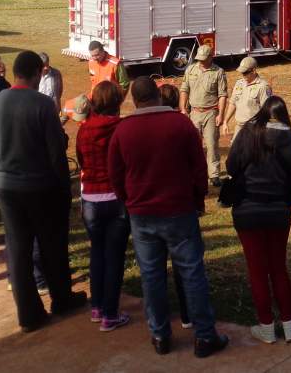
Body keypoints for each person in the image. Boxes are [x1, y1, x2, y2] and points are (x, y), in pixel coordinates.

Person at [108, 77, 229, 358]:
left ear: (134, 101)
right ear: (158, 97)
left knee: (152, 277)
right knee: (192, 273)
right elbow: (199, 168)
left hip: (142, 215)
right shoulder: (180, 124)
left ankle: (161, 335)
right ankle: (204, 336)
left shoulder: (124, 130)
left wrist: (129, 202)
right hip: (179, 211)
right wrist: (198, 200)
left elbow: (115, 175)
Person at [0, 51, 86, 333]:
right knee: (52, 244)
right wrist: (65, 190)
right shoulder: (42, 104)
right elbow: (56, 153)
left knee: (18, 248)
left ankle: (28, 314)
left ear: (15, 72)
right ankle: (61, 299)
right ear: (38, 73)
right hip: (41, 186)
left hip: (7, 187)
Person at [226, 96, 291, 343]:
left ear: (262, 112)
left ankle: (266, 326)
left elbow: (231, 167)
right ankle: (290, 325)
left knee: (257, 270)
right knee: (278, 267)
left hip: (247, 210)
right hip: (279, 211)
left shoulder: (247, 133)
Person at [74, 85, 131, 332]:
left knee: (97, 251)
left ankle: (97, 307)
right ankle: (110, 313)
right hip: (116, 198)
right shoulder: (122, 129)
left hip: (91, 198)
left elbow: (81, 160)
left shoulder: (83, 129)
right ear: (117, 102)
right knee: (114, 256)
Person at [157, 82, 194, 330]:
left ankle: (160, 325)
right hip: (180, 205)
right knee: (185, 266)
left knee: (154, 269)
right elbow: (196, 166)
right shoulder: (184, 126)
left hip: (150, 208)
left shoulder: (141, 128)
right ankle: (188, 316)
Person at [179, 45, 228, 187]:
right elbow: (184, 89)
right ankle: (196, 172)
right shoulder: (191, 69)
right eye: (198, 59)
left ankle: (214, 175)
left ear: (210, 57)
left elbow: (222, 95)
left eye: (203, 59)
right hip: (194, 112)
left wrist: (221, 115)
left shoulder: (219, 72)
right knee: (194, 145)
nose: (200, 61)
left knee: (212, 144)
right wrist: (183, 108)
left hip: (211, 113)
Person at [222, 56, 272, 140]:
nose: (243, 75)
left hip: (255, 128)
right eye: (241, 72)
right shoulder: (239, 83)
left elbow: (267, 110)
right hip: (239, 127)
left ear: (253, 70)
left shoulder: (263, 86)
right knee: (236, 151)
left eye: (245, 72)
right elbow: (233, 103)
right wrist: (225, 121)